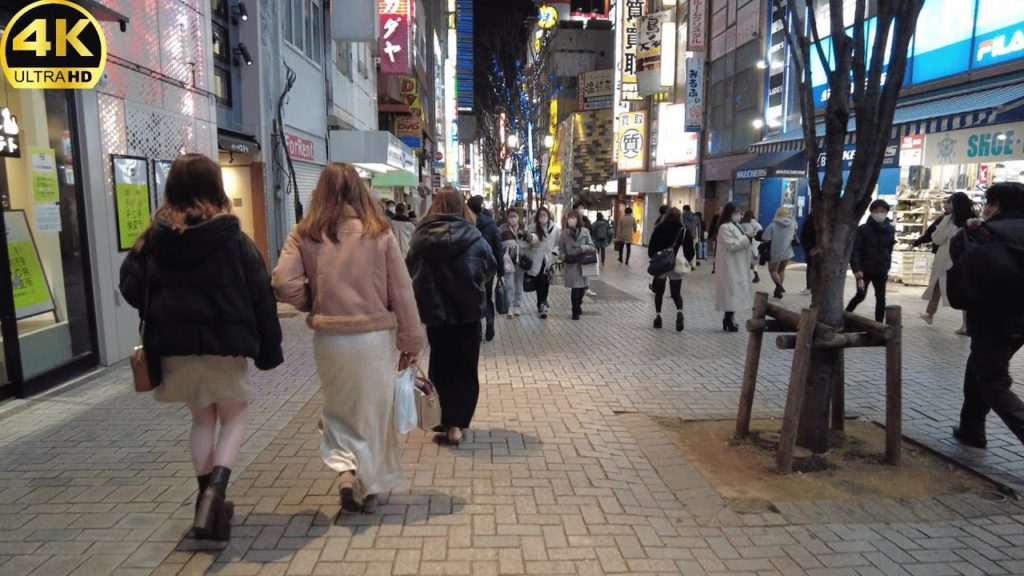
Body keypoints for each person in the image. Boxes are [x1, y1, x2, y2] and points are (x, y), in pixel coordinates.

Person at [119, 154, 284, 541]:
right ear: (216, 187)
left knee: (202, 421)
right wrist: (269, 350)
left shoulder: (153, 239)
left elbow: (130, 286)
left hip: (174, 348)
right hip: (225, 347)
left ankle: (202, 496)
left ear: (171, 188)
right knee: (235, 416)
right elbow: (261, 295)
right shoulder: (234, 240)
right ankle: (217, 493)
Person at [272, 163, 423, 515]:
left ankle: (345, 471)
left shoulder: (304, 233)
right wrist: (411, 342)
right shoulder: (379, 233)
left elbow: (281, 282)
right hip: (372, 339)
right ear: (360, 191)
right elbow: (402, 292)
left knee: (338, 409)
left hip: (330, 338)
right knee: (373, 413)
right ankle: (369, 487)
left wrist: (313, 300)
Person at [406, 187, 497, 445]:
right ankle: (457, 424)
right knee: (465, 369)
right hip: (468, 313)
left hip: (435, 314)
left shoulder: (420, 238)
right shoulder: (475, 237)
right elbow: (490, 268)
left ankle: (443, 419)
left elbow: (409, 269)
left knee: (441, 365)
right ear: (462, 207)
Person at [947, 182, 1024, 449]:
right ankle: (972, 429)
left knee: (992, 380)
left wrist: (965, 234)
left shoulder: (986, 233)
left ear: (996, 205)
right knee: (976, 369)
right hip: (1018, 322)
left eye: (988, 203)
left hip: (994, 319)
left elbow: (961, 263)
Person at [920, 192, 975, 334]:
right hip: (963, 258)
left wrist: (942, 225)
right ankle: (930, 314)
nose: (947, 206)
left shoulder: (949, 219)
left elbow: (937, 238)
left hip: (947, 257)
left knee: (944, 285)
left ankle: (965, 325)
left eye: (950, 203)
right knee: (941, 285)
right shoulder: (973, 220)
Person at [845, 199, 896, 322]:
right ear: (871, 212)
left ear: (887, 212)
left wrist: (887, 264)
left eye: (883, 211)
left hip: (881, 269)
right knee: (860, 295)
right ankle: (845, 316)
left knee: (881, 298)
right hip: (864, 271)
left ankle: (879, 325)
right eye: (877, 211)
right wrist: (856, 268)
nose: (880, 214)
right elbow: (855, 250)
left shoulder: (890, 229)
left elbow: (889, 249)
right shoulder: (863, 229)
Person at [647, 207, 695, 332]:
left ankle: (658, 317)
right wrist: (685, 260)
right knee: (676, 293)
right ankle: (679, 311)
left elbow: (651, 249)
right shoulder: (684, 231)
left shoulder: (659, 228)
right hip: (676, 264)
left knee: (659, 292)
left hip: (662, 264)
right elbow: (690, 250)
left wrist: (655, 256)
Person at [468, 196, 504, 341]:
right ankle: (489, 319)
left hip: (469, 266)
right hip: (488, 266)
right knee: (487, 296)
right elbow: (498, 247)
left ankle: (476, 327)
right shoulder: (491, 224)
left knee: (472, 297)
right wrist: (501, 270)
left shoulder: (466, 222)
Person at [715, 203, 755, 332]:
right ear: (729, 213)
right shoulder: (724, 227)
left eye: (740, 212)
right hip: (729, 265)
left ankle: (730, 318)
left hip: (737, 264)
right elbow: (732, 245)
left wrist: (748, 237)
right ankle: (728, 319)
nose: (739, 215)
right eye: (736, 212)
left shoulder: (736, 226)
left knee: (734, 292)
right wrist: (747, 237)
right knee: (730, 292)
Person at [559, 210, 596, 320]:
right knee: (575, 288)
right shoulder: (564, 232)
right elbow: (560, 248)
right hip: (571, 263)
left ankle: (578, 304)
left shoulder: (585, 231)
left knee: (582, 288)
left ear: (578, 219)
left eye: (573, 217)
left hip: (583, 263)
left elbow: (591, 246)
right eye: (569, 217)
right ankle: (574, 310)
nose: (571, 219)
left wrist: (582, 248)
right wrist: (564, 257)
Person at [524, 207, 560, 318]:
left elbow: (558, 243)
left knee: (546, 282)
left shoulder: (555, 228)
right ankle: (541, 304)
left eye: (545, 215)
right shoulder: (533, 227)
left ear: (548, 215)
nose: (543, 217)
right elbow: (528, 243)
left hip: (549, 259)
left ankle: (543, 300)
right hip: (537, 259)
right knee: (539, 282)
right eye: (540, 215)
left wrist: (555, 253)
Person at [498, 208, 533, 317]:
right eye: (511, 216)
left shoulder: (524, 227)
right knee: (509, 284)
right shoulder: (502, 228)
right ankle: (509, 306)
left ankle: (517, 305)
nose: (513, 218)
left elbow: (530, 240)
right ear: (508, 217)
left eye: (515, 216)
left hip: (521, 259)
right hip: (508, 259)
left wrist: (525, 236)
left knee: (518, 283)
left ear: (518, 217)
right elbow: (498, 242)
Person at [760, 206, 797, 299]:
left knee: (773, 270)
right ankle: (778, 291)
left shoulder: (773, 224)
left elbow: (765, 237)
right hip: (787, 251)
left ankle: (779, 286)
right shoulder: (793, 223)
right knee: (781, 270)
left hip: (775, 251)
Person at [739, 210, 764, 283]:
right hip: (755, 244)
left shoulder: (744, 224)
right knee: (753, 261)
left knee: (745, 261)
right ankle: (755, 275)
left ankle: (745, 276)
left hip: (747, 244)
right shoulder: (757, 224)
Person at [798, 212, 817, 295]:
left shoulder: (812, 217)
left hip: (812, 248)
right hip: (815, 248)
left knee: (810, 268)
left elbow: (804, 235)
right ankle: (810, 287)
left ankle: (809, 287)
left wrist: (809, 249)